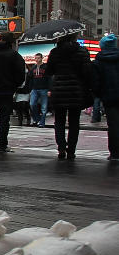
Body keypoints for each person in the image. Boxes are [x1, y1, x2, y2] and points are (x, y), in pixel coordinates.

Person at [46, 32, 94, 160]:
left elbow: (49, 71)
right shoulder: (82, 52)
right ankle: (71, 150)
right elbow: (87, 72)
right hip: (76, 91)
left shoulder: (55, 52)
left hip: (59, 90)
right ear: (74, 37)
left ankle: (61, 147)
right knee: (74, 122)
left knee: (59, 121)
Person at [0, 32, 26, 153]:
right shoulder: (14, 55)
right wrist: (14, 85)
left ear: (0, 39)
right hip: (7, 91)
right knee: (5, 118)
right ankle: (2, 144)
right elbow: (21, 74)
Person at [92, 33, 119, 161]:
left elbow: (96, 81)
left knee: (113, 125)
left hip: (108, 97)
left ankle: (115, 153)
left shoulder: (99, 61)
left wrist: (98, 94)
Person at [26, 53, 50, 127]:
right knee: (32, 104)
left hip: (44, 88)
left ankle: (41, 122)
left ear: (41, 58)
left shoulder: (45, 67)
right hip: (35, 88)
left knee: (44, 107)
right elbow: (30, 78)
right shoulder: (33, 67)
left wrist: (50, 89)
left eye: (38, 58)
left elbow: (49, 78)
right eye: (36, 58)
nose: (37, 60)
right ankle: (37, 119)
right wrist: (30, 89)